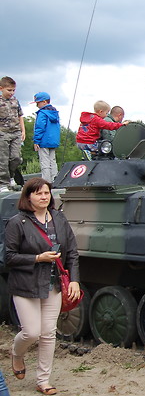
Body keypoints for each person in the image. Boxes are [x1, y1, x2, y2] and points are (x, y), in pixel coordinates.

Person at [5, 177, 81, 395]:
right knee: (31, 332)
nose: (43, 197)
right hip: (25, 284)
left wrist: (74, 280)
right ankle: (17, 354)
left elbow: (72, 252)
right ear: (28, 197)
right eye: (38, 193)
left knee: (48, 333)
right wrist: (37, 258)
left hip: (52, 284)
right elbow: (8, 257)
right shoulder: (17, 222)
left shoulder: (59, 218)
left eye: (46, 193)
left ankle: (43, 380)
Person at [0, 76, 26, 192]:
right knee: (3, 159)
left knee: (16, 157)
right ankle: (3, 183)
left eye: (13, 90)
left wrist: (23, 130)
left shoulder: (15, 101)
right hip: (3, 132)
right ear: (1, 88)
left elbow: (20, 116)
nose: (11, 92)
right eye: (9, 90)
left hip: (15, 132)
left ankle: (11, 176)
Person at [32, 92, 60, 183]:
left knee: (45, 162)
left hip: (43, 141)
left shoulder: (42, 113)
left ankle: (46, 181)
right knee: (52, 160)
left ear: (44, 102)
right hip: (53, 141)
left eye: (38, 103)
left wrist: (36, 141)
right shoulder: (55, 113)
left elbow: (40, 127)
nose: (37, 105)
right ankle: (55, 179)